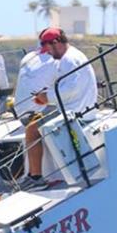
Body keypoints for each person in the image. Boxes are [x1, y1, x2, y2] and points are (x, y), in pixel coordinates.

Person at [23, 28, 97, 187]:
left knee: (31, 129)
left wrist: (46, 97)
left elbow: (70, 90)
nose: (48, 53)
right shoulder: (72, 56)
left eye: (48, 48)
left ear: (56, 42)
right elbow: (68, 88)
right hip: (78, 108)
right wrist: (46, 96)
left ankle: (35, 177)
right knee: (36, 123)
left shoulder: (69, 60)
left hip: (77, 113)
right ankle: (34, 176)